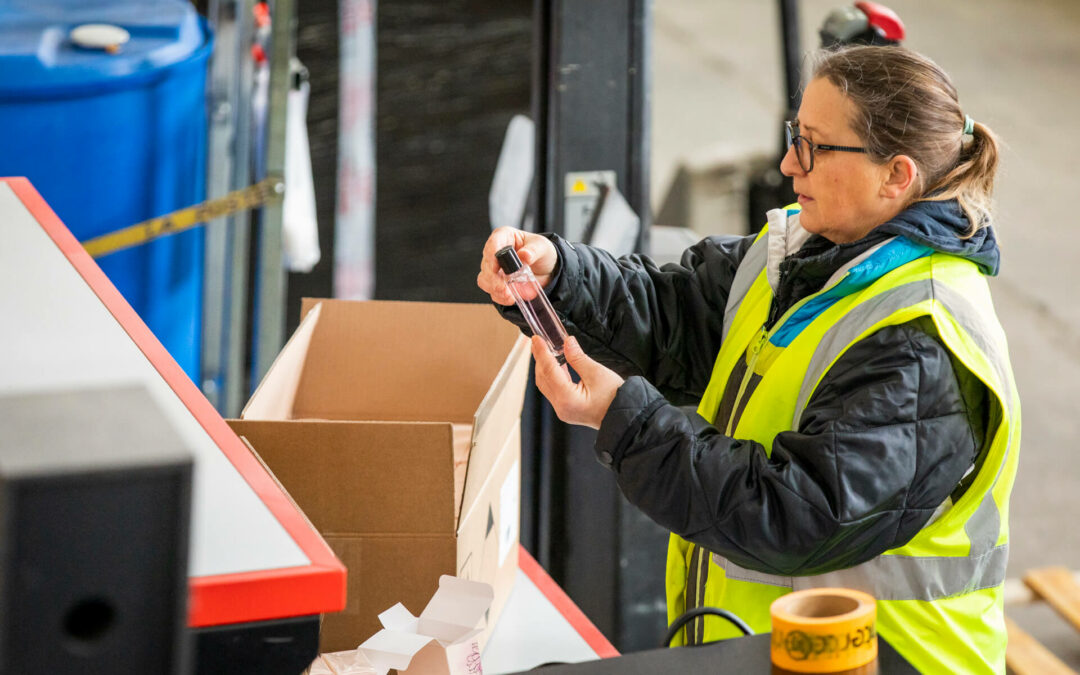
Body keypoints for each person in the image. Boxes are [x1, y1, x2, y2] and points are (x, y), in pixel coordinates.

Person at [477, 45, 1017, 674]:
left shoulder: (921, 338)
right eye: (795, 135)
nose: (789, 162)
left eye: (814, 146)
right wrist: (563, 276)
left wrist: (623, 419)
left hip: (887, 662)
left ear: (896, 176)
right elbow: (678, 316)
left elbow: (797, 511)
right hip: (772, 654)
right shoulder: (807, 252)